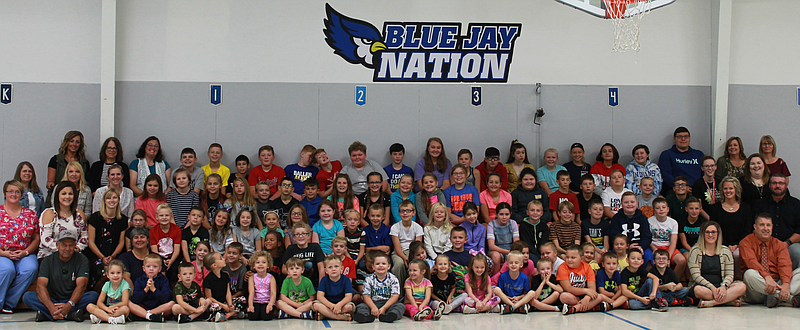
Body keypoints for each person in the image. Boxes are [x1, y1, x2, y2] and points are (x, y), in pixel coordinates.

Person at [23, 230, 99, 322]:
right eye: (64, 245)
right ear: (57, 245)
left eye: (70, 245)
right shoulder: (47, 261)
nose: (67, 248)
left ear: (75, 245)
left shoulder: (82, 260)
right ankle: (69, 315)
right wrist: (51, 307)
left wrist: (68, 305)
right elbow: (40, 287)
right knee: (28, 297)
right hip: (52, 299)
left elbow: (81, 286)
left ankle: (47, 315)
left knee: (93, 296)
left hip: (73, 300)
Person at [740, 213, 800, 307]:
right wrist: (767, 277)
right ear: (755, 227)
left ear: (772, 227)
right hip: (758, 287)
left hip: (777, 283)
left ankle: (776, 296)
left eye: (768, 225)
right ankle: (786, 298)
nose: (765, 228)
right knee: (749, 274)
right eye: (762, 225)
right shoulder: (746, 242)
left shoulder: (779, 244)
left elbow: (785, 265)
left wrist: (785, 284)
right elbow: (751, 262)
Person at [0, 180, 40, 313]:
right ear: (5, 194)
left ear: (21, 195)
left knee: (31, 268)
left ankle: (9, 303)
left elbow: (36, 237)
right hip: (2, 253)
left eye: (17, 192)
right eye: (10, 191)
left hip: (24, 253)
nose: (14, 194)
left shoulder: (30, 214)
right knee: (7, 270)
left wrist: (26, 252)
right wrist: (4, 253)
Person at [687, 221, 746, 308]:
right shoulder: (695, 251)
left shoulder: (725, 251)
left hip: (721, 286)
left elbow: (730, 274)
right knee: (698, 290)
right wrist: (712, 288)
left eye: (713, 232)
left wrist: (723, 286)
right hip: (703, 287)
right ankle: (728, 301)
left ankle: (712, 303)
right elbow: (696, 276)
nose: (710, 235)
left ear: (718, 234)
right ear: (702, 234)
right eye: (707, 232)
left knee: (742, 286)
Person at [709, 176, 752, 278]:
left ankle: (739, 281)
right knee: (724, 254)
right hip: (720, 243)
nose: (728, 191)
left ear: (736, 189)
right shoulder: (715, 209)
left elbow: (748, 230)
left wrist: (737, 245)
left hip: (741, 244)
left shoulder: (745, 208)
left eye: (731, 188)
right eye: (725, 188)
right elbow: (714, 230)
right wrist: (726, 245)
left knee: (737, 255)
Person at [756, 174, 800, 269]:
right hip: (764, 243)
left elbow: (799, 231)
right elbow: (755, 227)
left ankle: (793, 280)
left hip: (790, 244)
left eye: (781, 183)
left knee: (797, 252)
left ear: (786, 186)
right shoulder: (760, 204)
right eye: (774, 183)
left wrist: (786, 243)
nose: (777, 186)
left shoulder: (796, 205)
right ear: (769, 185)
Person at [86, 189, 128, 287]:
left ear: (118, 200)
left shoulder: (122, 219)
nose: (111, 200)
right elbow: (91, 242)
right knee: (102, 272)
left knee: (118, 271)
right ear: (104, 201)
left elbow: (121, 242)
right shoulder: (95, 218)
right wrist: (102, 257)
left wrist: (112, 256)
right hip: (97, 255)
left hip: (115, 255)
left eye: (114, 198)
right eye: (108, 198)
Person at [39, 181, 88, 259]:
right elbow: (45, 239)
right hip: (50, 255)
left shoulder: (79, 214)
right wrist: (64, 251)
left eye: (70, 194)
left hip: (73, 254)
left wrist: (76, 248)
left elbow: (85, 236)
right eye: (64, 193)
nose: (67, 197)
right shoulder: (49, 213)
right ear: (57, 195)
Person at [353, 252, 404, 323]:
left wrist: (384, 308)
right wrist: (373, 307)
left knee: (400, 306)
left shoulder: (393, 279)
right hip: (373, 302)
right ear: (373, 267)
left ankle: (390, 316)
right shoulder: (369, 279)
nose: (380, 266)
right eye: (377, 264)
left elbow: (394, 296)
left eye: (383, 264)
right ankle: (365, 316)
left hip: (387, 303)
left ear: (388, 266)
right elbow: (366, 296)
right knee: (361, 306)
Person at [46, 131, 90, 208]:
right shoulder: (56, 160)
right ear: (67, 142)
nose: (74, 144)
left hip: (78, 199)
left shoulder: (84, 162)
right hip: (58, 199)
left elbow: (85, 181)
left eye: (77, 142)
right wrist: (52, 185)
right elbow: (50, 182)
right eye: (71, 141)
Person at [658, 127, 704, 194]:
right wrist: (682, 187)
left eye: (686, 136)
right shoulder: (667, 155)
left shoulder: (699, 154)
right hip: (676, 191)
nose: (683, 139)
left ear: (689, 138)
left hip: (697, 190)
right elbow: (666, 175)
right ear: (674, 139)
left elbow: (704, 174)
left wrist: (697, 189)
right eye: (680, 137)